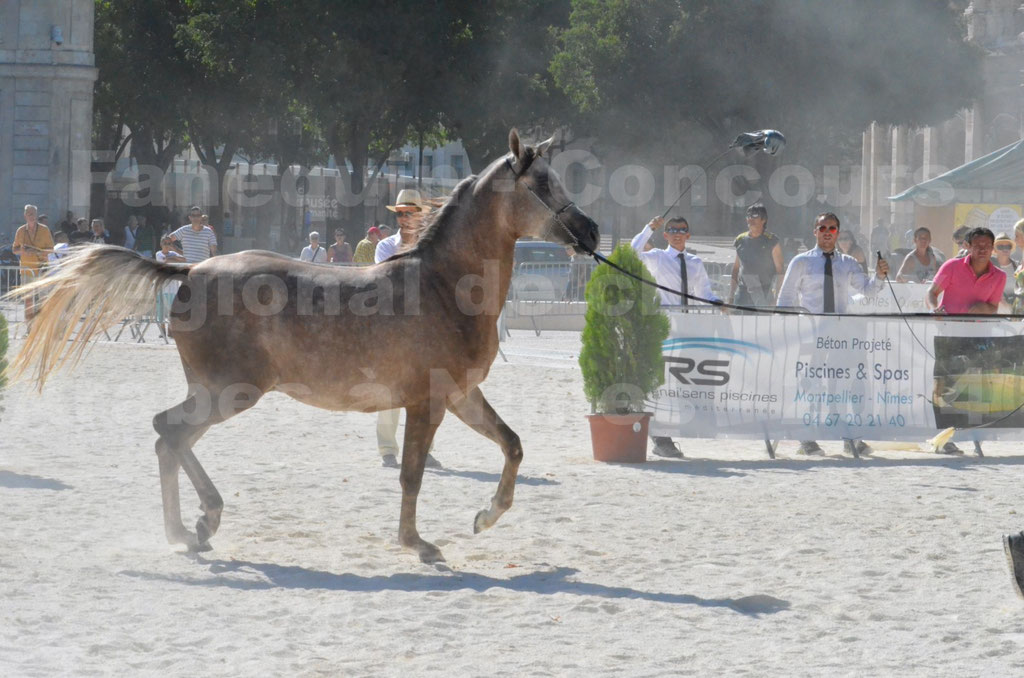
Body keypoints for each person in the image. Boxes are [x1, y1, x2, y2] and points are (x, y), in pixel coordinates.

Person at [776, 212, 890, 456]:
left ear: (838, 232)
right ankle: (806, 438)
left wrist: (879, 276)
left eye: (833, 228)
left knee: (842, 384)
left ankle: (849, 438)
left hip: (840, 334)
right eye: (823, 227)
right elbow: (785, 297)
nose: (828, 232)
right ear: (814, 231)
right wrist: (786, 328)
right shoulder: (801, 262)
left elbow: (868, 291)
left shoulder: (848, 262)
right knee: (808, 383)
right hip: (810, 333)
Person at [631, 214, 720, 458]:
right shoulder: (658, 257)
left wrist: (718, 304)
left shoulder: (695, 262)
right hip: (664, 325)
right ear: (666, 235)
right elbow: (632, 254)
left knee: (686, 380)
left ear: (688, 235)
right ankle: (660, 438)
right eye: (673, 230)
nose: (678, 233)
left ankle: (685, 427)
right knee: (661, 381)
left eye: (682, 229)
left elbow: (705, 294)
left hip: (689, 326)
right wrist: (648, 228)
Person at [374, 188, 441, 469]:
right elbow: (388, 281)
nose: (403, 218)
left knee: (427, 392)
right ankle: (388, 450)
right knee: (391, 390)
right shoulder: (386, 246)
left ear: (420, 215)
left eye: (408, 213)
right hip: (392, 327)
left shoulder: (432, 245)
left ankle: (423, 450)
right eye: (400, 213)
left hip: (423, 329)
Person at [927, 227, 1003, 315]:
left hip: (981, 327)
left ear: (993, 249)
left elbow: (994, 307)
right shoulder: (950, 266)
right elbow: (932, 292)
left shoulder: (1000, 276)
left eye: (987, 246)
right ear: (968, 246)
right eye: (977, 246)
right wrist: (933, 310)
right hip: (948, 326)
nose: (982, 250)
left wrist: (985, 308)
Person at [729, 203, 783, 306]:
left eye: (754, 216)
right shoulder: (740, 240)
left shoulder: (772, 241)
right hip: (743, 293)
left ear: (764, 219)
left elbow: (780, 271)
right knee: (738, 321)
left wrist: (776, 299)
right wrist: (731, 297)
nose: (750, 219)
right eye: (748, 216)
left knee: (763, 322)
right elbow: (736, 269)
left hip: (764, 293)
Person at [12, 204, 54, 321]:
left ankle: (40, 327)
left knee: (43, 299)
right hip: (27, 270)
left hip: (42, 269)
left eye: (34, 214)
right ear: (25, 215)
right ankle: (29, 328)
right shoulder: (20, 231)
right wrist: (22, 250)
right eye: (29, 214)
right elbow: (14, 250)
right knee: (28, 300)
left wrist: (38, 252)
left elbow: (51, 249)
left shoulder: (44, 230)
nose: (32, 216)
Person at [155, 235, 186, 322]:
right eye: (165, 243)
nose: (167, 245)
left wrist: (173, 255)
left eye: (169, 243)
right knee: (161, 310)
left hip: (173, 287)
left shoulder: (173, 254)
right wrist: (175, 259)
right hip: (162, 285)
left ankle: (171, 328)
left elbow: (185, 258)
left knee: (172, 309)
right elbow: (164, 262)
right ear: (161, 244)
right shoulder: (158, 254)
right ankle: (162, 330)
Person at [992, 232, 1017, 301]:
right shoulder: (988, 268)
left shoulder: (1018, 267)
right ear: (994, 250)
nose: (1005, 249)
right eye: (1000, 247)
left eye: (1008, 246)